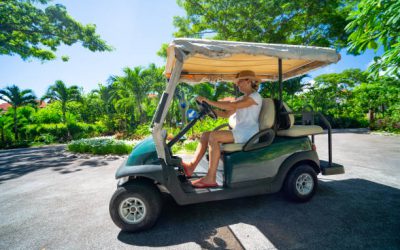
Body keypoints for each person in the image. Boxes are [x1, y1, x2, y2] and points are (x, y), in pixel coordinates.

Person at [182, 70, 263, 188]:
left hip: (249, 134)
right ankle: (191, 167)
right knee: (205, 134)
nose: (237, 84)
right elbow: (226, 114)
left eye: (239, 81)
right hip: (239, 132)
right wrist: (209, 109)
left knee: (214, 136)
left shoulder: (255, 97)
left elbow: (232, 106)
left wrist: (208, 101)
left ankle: (210, 178)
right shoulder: (241, 98)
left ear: (249, 81)